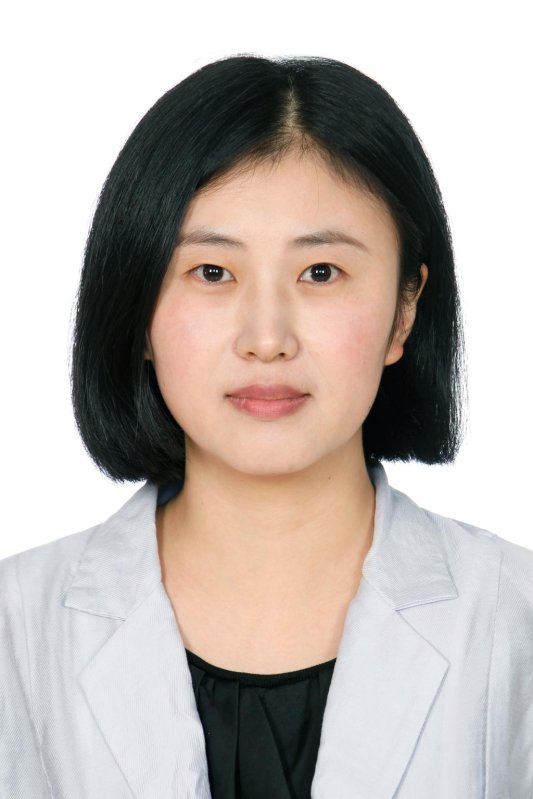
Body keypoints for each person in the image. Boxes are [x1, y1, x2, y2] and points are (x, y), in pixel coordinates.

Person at [1, 53, 532, 799]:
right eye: (212, 273)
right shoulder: (15, 632)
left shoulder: (515, 623)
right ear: (138, 311)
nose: (266, 337)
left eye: (321, 272)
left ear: (404, 310)